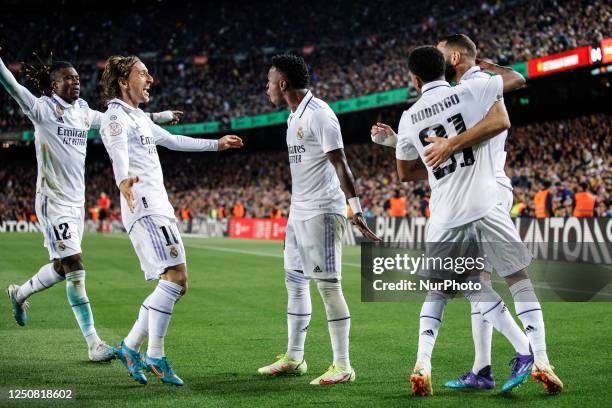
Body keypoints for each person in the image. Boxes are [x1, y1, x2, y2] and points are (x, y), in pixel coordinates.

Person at [1, 48, 180, 362]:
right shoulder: (41, 108)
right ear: (52, 85)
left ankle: (20, 293)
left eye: (77, 79)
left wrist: (158, 117)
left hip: (76, 202)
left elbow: (119, 118)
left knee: (61, 267)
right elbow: (13, 87)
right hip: (53, 201)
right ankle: (94, 343)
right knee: (76, 267)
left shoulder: (83, 111)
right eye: (67, 79)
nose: (75, 83)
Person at [388, 46, 534, 396]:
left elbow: (406, 172)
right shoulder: (471, 90)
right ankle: (508, 354)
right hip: (486, 203)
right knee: (479, 283)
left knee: (447, 287)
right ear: (447, 68)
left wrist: (397, 144)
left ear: (414, 78)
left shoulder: (410, 117)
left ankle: (519, 350)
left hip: (448, 213)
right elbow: (510, 93)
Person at [99, 55, 243, 385]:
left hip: (158, 206)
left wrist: (216, 144)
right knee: (176, 279)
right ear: (124, 82)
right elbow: (118, 153)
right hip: (144, 204)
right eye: (142, 73)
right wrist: (123, 180)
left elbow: (174, 140)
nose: (150, 78)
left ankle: (130, 346)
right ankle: (155, 353)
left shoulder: (139, 117)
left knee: (177, 283)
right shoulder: (115, 117)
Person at [257, 54, 380, 385]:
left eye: (269, 81)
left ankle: (343, 365)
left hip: (323, 212)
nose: (266, 86)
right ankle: (294, 358)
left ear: (282, 84)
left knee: (328, 286)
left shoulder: (320, 115)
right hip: (298, 212)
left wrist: (354, 208)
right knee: (294, 282)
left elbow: (341, 162)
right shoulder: (292, 117)